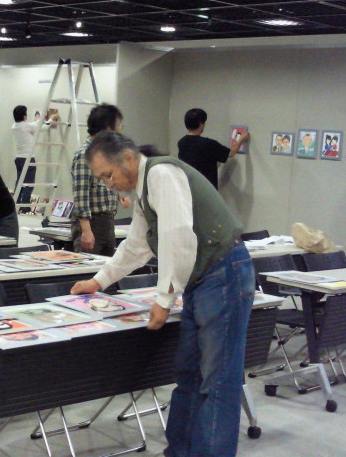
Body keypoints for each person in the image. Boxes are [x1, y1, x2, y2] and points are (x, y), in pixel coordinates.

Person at [70, 131, 255, 457]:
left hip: (223, 274)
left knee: (218, 381)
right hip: (201, 280)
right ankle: (180, 451)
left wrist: (164, 299)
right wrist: (99, 281)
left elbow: (178, 236)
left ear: (128, 158)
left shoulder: (161, 174)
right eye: (101, 179)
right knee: (188, 374)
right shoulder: (144, 188)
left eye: (108, 175)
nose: (108, 184)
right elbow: (137, 245)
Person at [70, 104, 130, 257]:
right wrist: (86, 231)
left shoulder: (106, 154)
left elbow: (106, 182)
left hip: (107, 221)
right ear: (108, 128)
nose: (120, 131)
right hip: (92, 223)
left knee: (108, 268)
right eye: (118, 126)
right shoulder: (85, 155)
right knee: (89, 268)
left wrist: (119, 194)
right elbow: (81, 194)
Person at [177, 108, 249, 190]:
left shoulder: (181, 143)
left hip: (188, 188)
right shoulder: (208, 144)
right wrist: (241, 139)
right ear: (201, 124)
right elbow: (231, 153)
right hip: (207, 190)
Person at [11, 105, 41, 212]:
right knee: (29, 184)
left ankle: (16, 203)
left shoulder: (14, 126)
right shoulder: (25, 126)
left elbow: (33, 126)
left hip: (18, 158)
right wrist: (50, 119)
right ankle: (25, 206)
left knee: (19, 183)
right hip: (28, 158)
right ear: (24, 116)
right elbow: (40, 126)